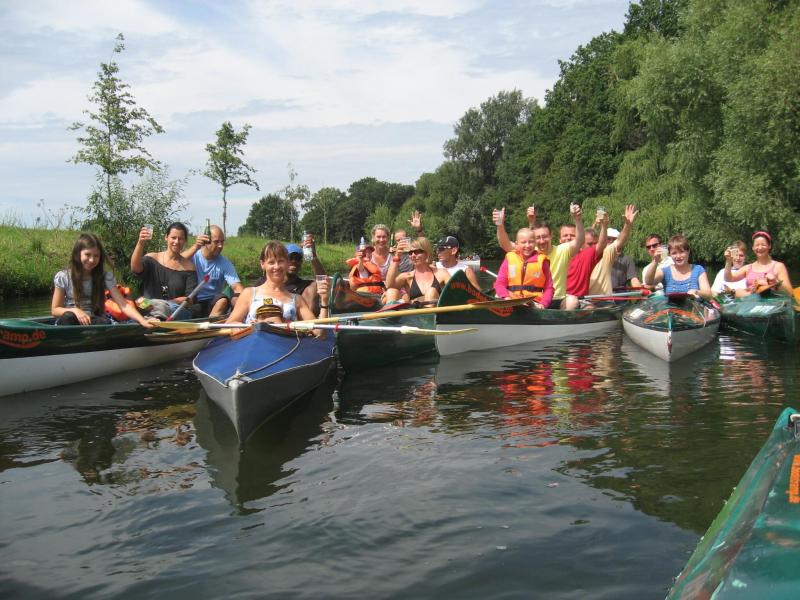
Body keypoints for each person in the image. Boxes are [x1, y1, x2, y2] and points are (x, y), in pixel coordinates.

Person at [52, 233, 154, 328]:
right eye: (87, 254)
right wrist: (75, 311)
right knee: (68, 317)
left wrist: (143, 321)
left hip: (92, 320)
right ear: (77, 254)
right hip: (69, 320)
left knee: (104, 322)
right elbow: (55, 310)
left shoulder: (105, 277)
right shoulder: (63, 277)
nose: (92, 260)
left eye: (96, 256)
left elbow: (124, 305)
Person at [226, 241, 329, 329]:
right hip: (254, 341)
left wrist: (324, 301)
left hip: (285, 343)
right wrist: (238, 327)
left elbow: (319, 333)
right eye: (271, 262)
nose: (276, 267)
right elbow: (229, 324)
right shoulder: (249, 293)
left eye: (281, 261)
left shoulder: (297, 299)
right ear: (262, 264)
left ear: (287, 263)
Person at [495, 204, 584, 304]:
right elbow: (505, 244)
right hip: (534, 300)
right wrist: (500, 225)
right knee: (498, 295)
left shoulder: (562, 250)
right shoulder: (529, 250)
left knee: (572, 301)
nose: (542, 241)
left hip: (557, 299)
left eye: (545, 237)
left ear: (551, 236)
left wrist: (578, 219)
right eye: (538, 238)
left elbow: (579, 241)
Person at [131, 222, 199, 320]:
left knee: (162, 306)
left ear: (185, 241)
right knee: (138, 302)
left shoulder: (189, 268)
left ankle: (155, 318)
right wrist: (140, 242)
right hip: (150, 305)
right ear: (166, 237)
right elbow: (135, 268)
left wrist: (167, 303)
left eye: (180, 239)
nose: (176, 241)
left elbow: (190, 299)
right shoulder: (152, 258)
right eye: (173, 238)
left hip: (175, 309)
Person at [182, 224, 244, 317]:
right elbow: (176, 261)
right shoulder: (193, 256)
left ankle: (210, 323)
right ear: (206, 242)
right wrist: (196, 246)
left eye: (222, 242)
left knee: (223, 300)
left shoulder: (225, 263)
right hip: (193, 301)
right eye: (216, 242)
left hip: (213, 303)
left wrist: (247, 299)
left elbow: (237, 287)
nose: (220, 246)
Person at [494, 228, 554, 308]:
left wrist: (543, 304)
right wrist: (507, 298)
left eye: (531, 242)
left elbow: (549, 288)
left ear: (535, 243)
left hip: (533, 301)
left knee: (530, 303)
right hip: (511, 299)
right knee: (498, 295)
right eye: (523, 242)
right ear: (517, 244)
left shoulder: (542, 261)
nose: (527, 245)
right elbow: (500, 283)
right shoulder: (509, 258)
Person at [587, 205, 639, 296]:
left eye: (613, 239)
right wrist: (595, 224)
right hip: (597, 296)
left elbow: (634, 279)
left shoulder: (626, 259)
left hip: (619, 296)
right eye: (608, 238)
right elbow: (589, 239)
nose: (610, 241)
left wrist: (627, 225)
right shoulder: (598, 254)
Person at [723, 231, 793, 297]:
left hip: (772, 302)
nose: (760, 248)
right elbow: (728, 278)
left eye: (763, 245)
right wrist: (729, 261)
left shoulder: (779, 266)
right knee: (739, 291)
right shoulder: (748, 268)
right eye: (757, 245)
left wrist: (776, 282)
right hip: (752, 302)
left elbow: (790, 293)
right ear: (753, 248)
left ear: (769, 246)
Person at [642, 234, 712, 299]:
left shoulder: (698, 269)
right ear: (670, 254)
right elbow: (648, 282)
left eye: (681, 252)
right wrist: (655, 261)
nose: (678, 256)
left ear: (688, 252)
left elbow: (709, 295)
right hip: (670, 308)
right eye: (674, 253)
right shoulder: (664, 271)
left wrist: (697, 292)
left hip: (693, 307)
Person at [385, 237, 450, 304]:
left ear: (426, 253)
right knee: (391, 292)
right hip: (415, 310)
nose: (413, 255)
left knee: (431, 292)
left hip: (436, 310)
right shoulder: (407, 276)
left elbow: (455, 291)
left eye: (417, 252)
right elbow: (389, 286)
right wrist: (397, 257)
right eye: (410, 252)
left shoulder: (441, 273)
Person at [563, 216, 610, 309]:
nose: (569, 238)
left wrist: (604, 226)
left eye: (572, 236)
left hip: (580, 299)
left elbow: (601, 244)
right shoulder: (558, 252)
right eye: (565, 236)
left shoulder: (588, 254)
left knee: (590, 309)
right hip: (560, 298)